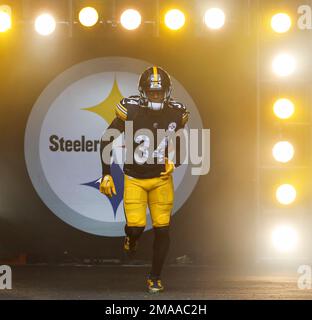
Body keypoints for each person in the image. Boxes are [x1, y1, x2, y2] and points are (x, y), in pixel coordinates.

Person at [99, 66, 189, 293]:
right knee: (136, 227)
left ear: (167, 92)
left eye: (160, 92)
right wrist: (106, 173)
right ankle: (131, 238)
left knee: (163, 229)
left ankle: (155, 277)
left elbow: (180, 141)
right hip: (135, 177)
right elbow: (107, 138)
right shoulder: (131, 110)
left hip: (161, 178)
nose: (156, 96)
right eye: (152, 92)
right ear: (143, 92)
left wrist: (175, 161)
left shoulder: (177, 113)